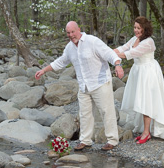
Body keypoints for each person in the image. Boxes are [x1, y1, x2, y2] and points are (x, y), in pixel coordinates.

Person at [35, 21, 124, 151]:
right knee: (84, 114)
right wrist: (44, 70)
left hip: (100, 83)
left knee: (106, 112)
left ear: (79, 30)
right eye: (68, 33)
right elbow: (61, 62)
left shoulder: (92, 41)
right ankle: (85, 140)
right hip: (84, 86)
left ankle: (112, 140)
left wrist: (117, 64)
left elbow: (109, 53)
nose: (71, 35)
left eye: (73, 32)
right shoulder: (69, 48)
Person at [114, 16, 164, 144]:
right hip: (138, 71)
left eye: (139, 28)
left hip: (148, 72)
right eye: (135, 27)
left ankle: (147, 133)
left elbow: (130, 54)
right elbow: (123, 48)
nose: (136, 30)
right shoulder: (134, 39)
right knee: (140, 100)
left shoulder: (149, 42)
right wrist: (107, 51)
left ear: (145, 29)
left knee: (147, 101)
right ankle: (145, 129)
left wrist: (112, 54)